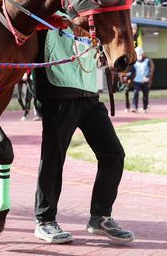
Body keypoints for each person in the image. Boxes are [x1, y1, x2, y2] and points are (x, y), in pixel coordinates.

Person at [33, 22, 134, 245]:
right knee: (53, 158)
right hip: (58, 93)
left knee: (114, 154)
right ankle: (45, 220)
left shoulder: (90, 18)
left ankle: (100, 217)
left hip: (89, 94)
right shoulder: (45, 10)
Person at [132, 46, 153, 113]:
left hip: (145, 81)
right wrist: (128, 76)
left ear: (143, 54)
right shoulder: (134, 62)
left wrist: (147, 77)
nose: (139, 56)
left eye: (140, 54)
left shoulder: (147, 61)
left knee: (145, 95)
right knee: (135, 93)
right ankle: (135, 107)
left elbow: (150, 70)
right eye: (138, 55)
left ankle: (145, 107)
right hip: (137, 81)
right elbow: (132, 71)